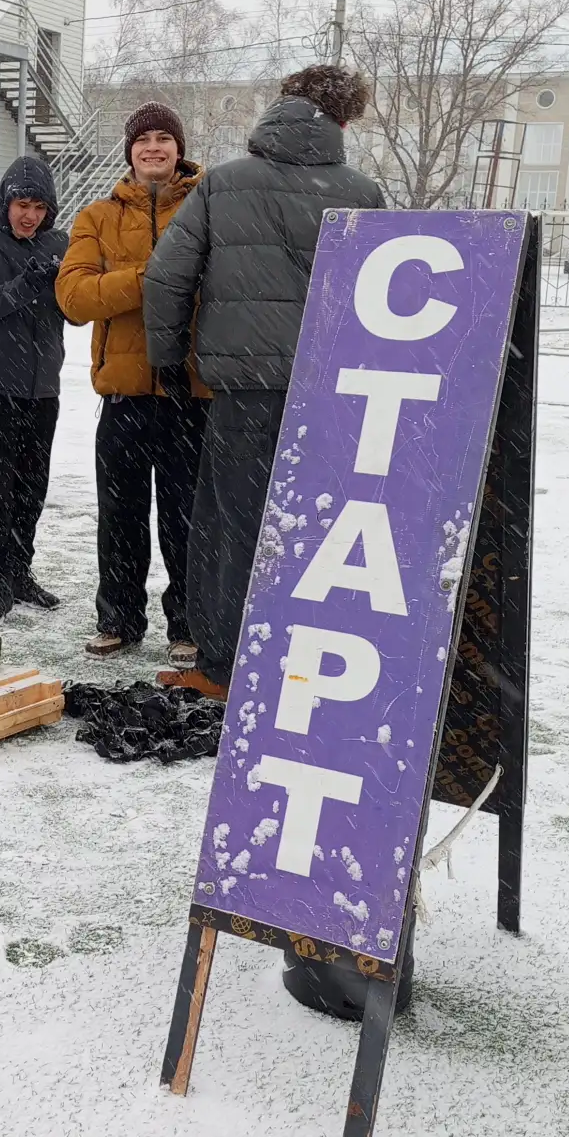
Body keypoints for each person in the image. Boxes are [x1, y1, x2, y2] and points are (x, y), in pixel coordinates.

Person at [142, 64, 385, 698]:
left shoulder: (225, 184)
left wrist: (168, 357)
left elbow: (168, 277)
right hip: (332, 394)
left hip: (244, 389)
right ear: (342, 120)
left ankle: (222, 667)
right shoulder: (364, 193)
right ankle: (302, 665)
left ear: (282, 106)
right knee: (319, 528)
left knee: (230, 526)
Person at [56, 103, 209, 666]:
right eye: (143, 139)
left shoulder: (208, 207)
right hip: (123, 395)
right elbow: (74, 298)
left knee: (186, 518)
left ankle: (188, 625)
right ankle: (118, 617)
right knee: (119, 515)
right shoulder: (96, 217)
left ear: (179, 149)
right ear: (129, 151)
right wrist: (155, 278)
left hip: (188, 393)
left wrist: (121, 286)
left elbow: (216, 289)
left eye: (164, 138)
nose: (153, 148)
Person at [0, 155, 69, 624]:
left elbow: (73, 308)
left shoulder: (61, 244)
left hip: (42, 390)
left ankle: (20, 572)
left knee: (31, 489)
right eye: (23, 205)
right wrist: (29, 282)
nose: (30, 216)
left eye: (40, 208)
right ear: (6, 203)